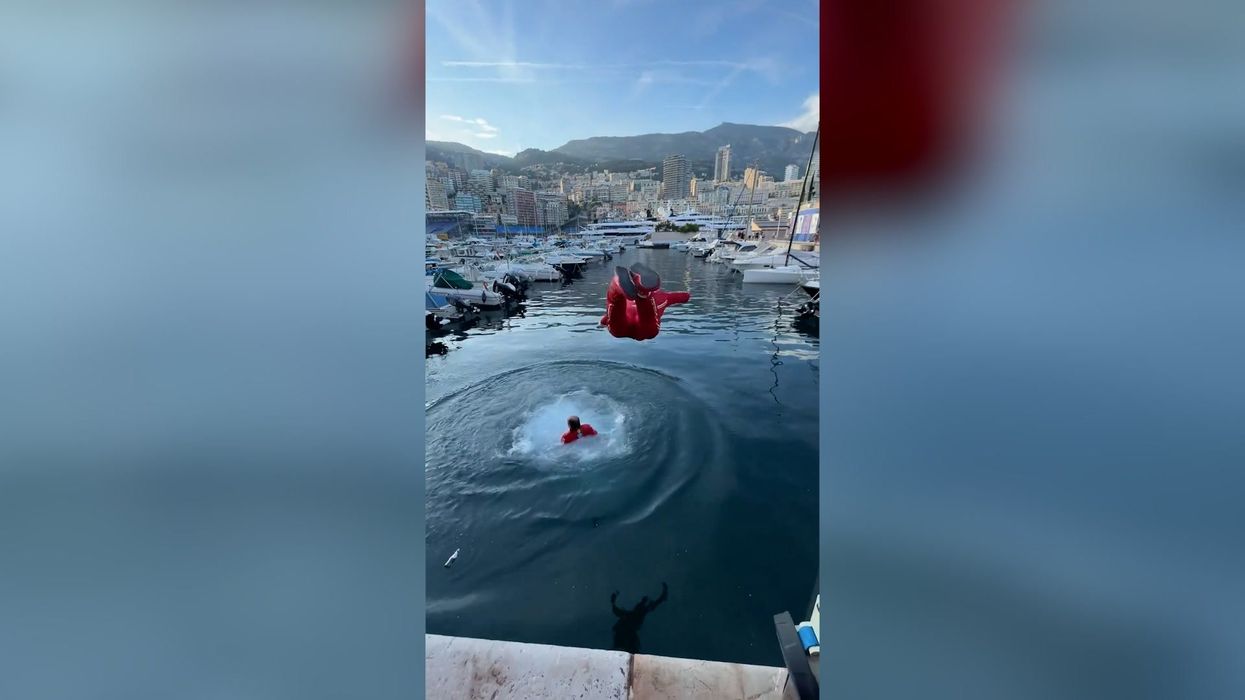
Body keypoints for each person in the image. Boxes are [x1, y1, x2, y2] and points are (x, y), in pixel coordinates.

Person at [600, 263, 691, 341]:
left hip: (620, 327)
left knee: (615, 301)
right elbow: (682, 296)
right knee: (644, 304)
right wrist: (687, 296)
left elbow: (610, 316)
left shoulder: (630, 294)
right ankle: (642, 293)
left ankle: (617, 284)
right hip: (647, 331)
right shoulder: (663, 296)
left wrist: (602, 322)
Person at [610, 582, 668, 653]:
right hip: (625, 632)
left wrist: (613, 599)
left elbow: (616, 610)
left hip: (627, 633)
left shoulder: (638, 612)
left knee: (627, 646)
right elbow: (616, 610)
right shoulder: (634, 612)